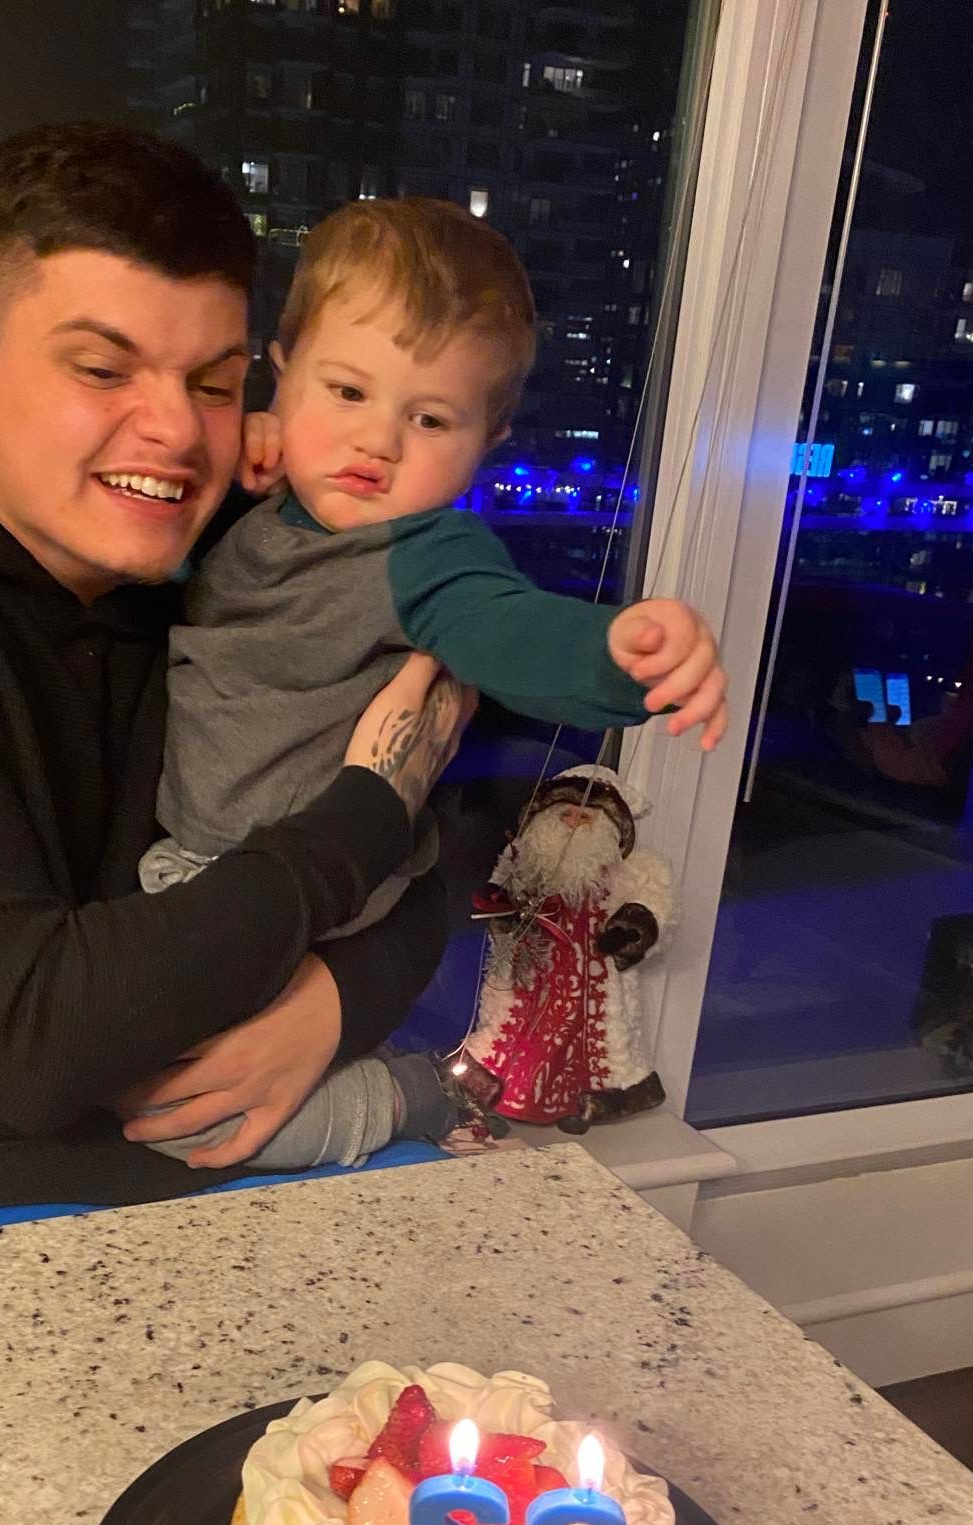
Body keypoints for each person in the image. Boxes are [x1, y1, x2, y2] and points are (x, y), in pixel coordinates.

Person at [0, 125, 471, 1255]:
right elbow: (40, 1035)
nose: (171, 428)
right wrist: (366, 812)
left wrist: (332, 1005)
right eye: (102, 369)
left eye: (212, 380)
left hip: (240, 1168)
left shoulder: (219, 555)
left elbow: (428, 873)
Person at [130, 196, 726, 1170]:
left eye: (431, 416)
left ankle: (405, 1096)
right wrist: (246, 445)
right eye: (348, 392)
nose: (378, 441)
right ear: (283, 376)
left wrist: (624, 652)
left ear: (488, 439)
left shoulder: (425, 551)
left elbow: (511, 631)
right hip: (217, 868)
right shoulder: (263, 511)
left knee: (183, 1116)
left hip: (299, 887)